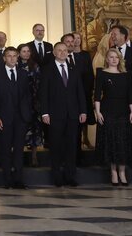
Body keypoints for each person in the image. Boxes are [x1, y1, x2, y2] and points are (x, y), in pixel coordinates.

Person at [39, 42, 87, 187]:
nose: (62, 53)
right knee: (56, 146)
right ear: (54, 52)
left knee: (71, 146)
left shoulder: (74, 69)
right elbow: (43, 93)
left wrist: (83, 110)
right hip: (54, 115)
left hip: (73, 114)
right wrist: (44, 113)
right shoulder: (47, 70)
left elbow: (80, 92)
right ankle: (57, 177)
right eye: (59, 50)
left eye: (65, 50)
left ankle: (70, 176)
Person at [0, 46, 33, 189]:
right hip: (4, 118)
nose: (12, 58)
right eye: (9, 56)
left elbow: (27, 95)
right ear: (4, 58)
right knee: (5, 150)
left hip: (20, 118)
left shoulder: (23, 74)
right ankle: (7, 180)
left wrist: (27, 114)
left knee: (19, 150)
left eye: (15, 56)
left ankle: (19, 180)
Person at [94, 47, 132, 186]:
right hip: (107, 110)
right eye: (111, 57)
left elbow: (130, 94)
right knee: (111, 142)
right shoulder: (102, 73)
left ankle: (122, 172)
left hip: (123, 111)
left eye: (116, 57)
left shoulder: (126, 74)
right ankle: (113, 172)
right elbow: (97, 95)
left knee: (122, 142)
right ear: (106, 59)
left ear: (120, 59)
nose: (113, 59)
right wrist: (98, 112)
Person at [67, 32, 95, 150]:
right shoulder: (67, 55)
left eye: (79, 38)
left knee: (85, 114)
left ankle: (86, 138)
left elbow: (89, 73)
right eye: (74, 38)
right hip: (72, 92)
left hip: (85, 89)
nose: (77, 40)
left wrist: (89, 89)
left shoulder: (85, 55)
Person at [17, 43, 44, 158]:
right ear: (19, 53)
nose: (26, 53)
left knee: (35, 129)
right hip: (18, 102)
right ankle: (19, 156)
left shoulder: (35, 66)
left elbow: (39, 84)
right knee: (20, 130)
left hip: (33, 102)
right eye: (24, 51)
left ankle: (34, 156)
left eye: (28, 51)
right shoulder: (15, 66)